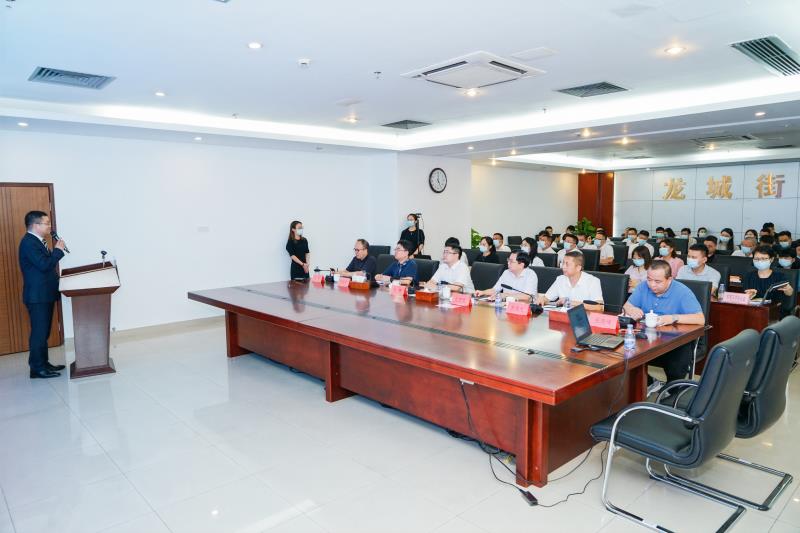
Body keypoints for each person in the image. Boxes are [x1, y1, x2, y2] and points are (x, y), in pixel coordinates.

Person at [623, 261, 705, 384]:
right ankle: (647, 383)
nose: (652, 285)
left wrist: (672, 318)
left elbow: (700, 319)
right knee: (625, 351)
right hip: (646, 337)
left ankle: (673, 389)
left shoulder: (682, 292)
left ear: (669, 279)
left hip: (673, 340)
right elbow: (627, 306)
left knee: (679, 354)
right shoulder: (643, 286)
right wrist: (632, 309)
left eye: (657, 281)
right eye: (649, 279)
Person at [19, 211, 67, 378]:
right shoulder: (28, 243)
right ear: (35, 225)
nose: (49, 226)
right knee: (39, 333)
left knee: (44, 332)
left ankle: (44, 363)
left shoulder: (38, 241)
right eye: (46, 223)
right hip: (37, 296)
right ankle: (37, 369)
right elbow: (44, 265)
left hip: (44, 294)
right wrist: (58, 251)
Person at [536, 252, 604, 312]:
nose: (563, 267)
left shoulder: (593, 281)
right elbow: (547, 298)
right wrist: (542, 299)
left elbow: (599, 307)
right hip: (563, 318)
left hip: (583, 319)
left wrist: (570, 302)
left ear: (578, 268)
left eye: (567, 264)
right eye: (563, 263)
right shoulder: (560, 279)